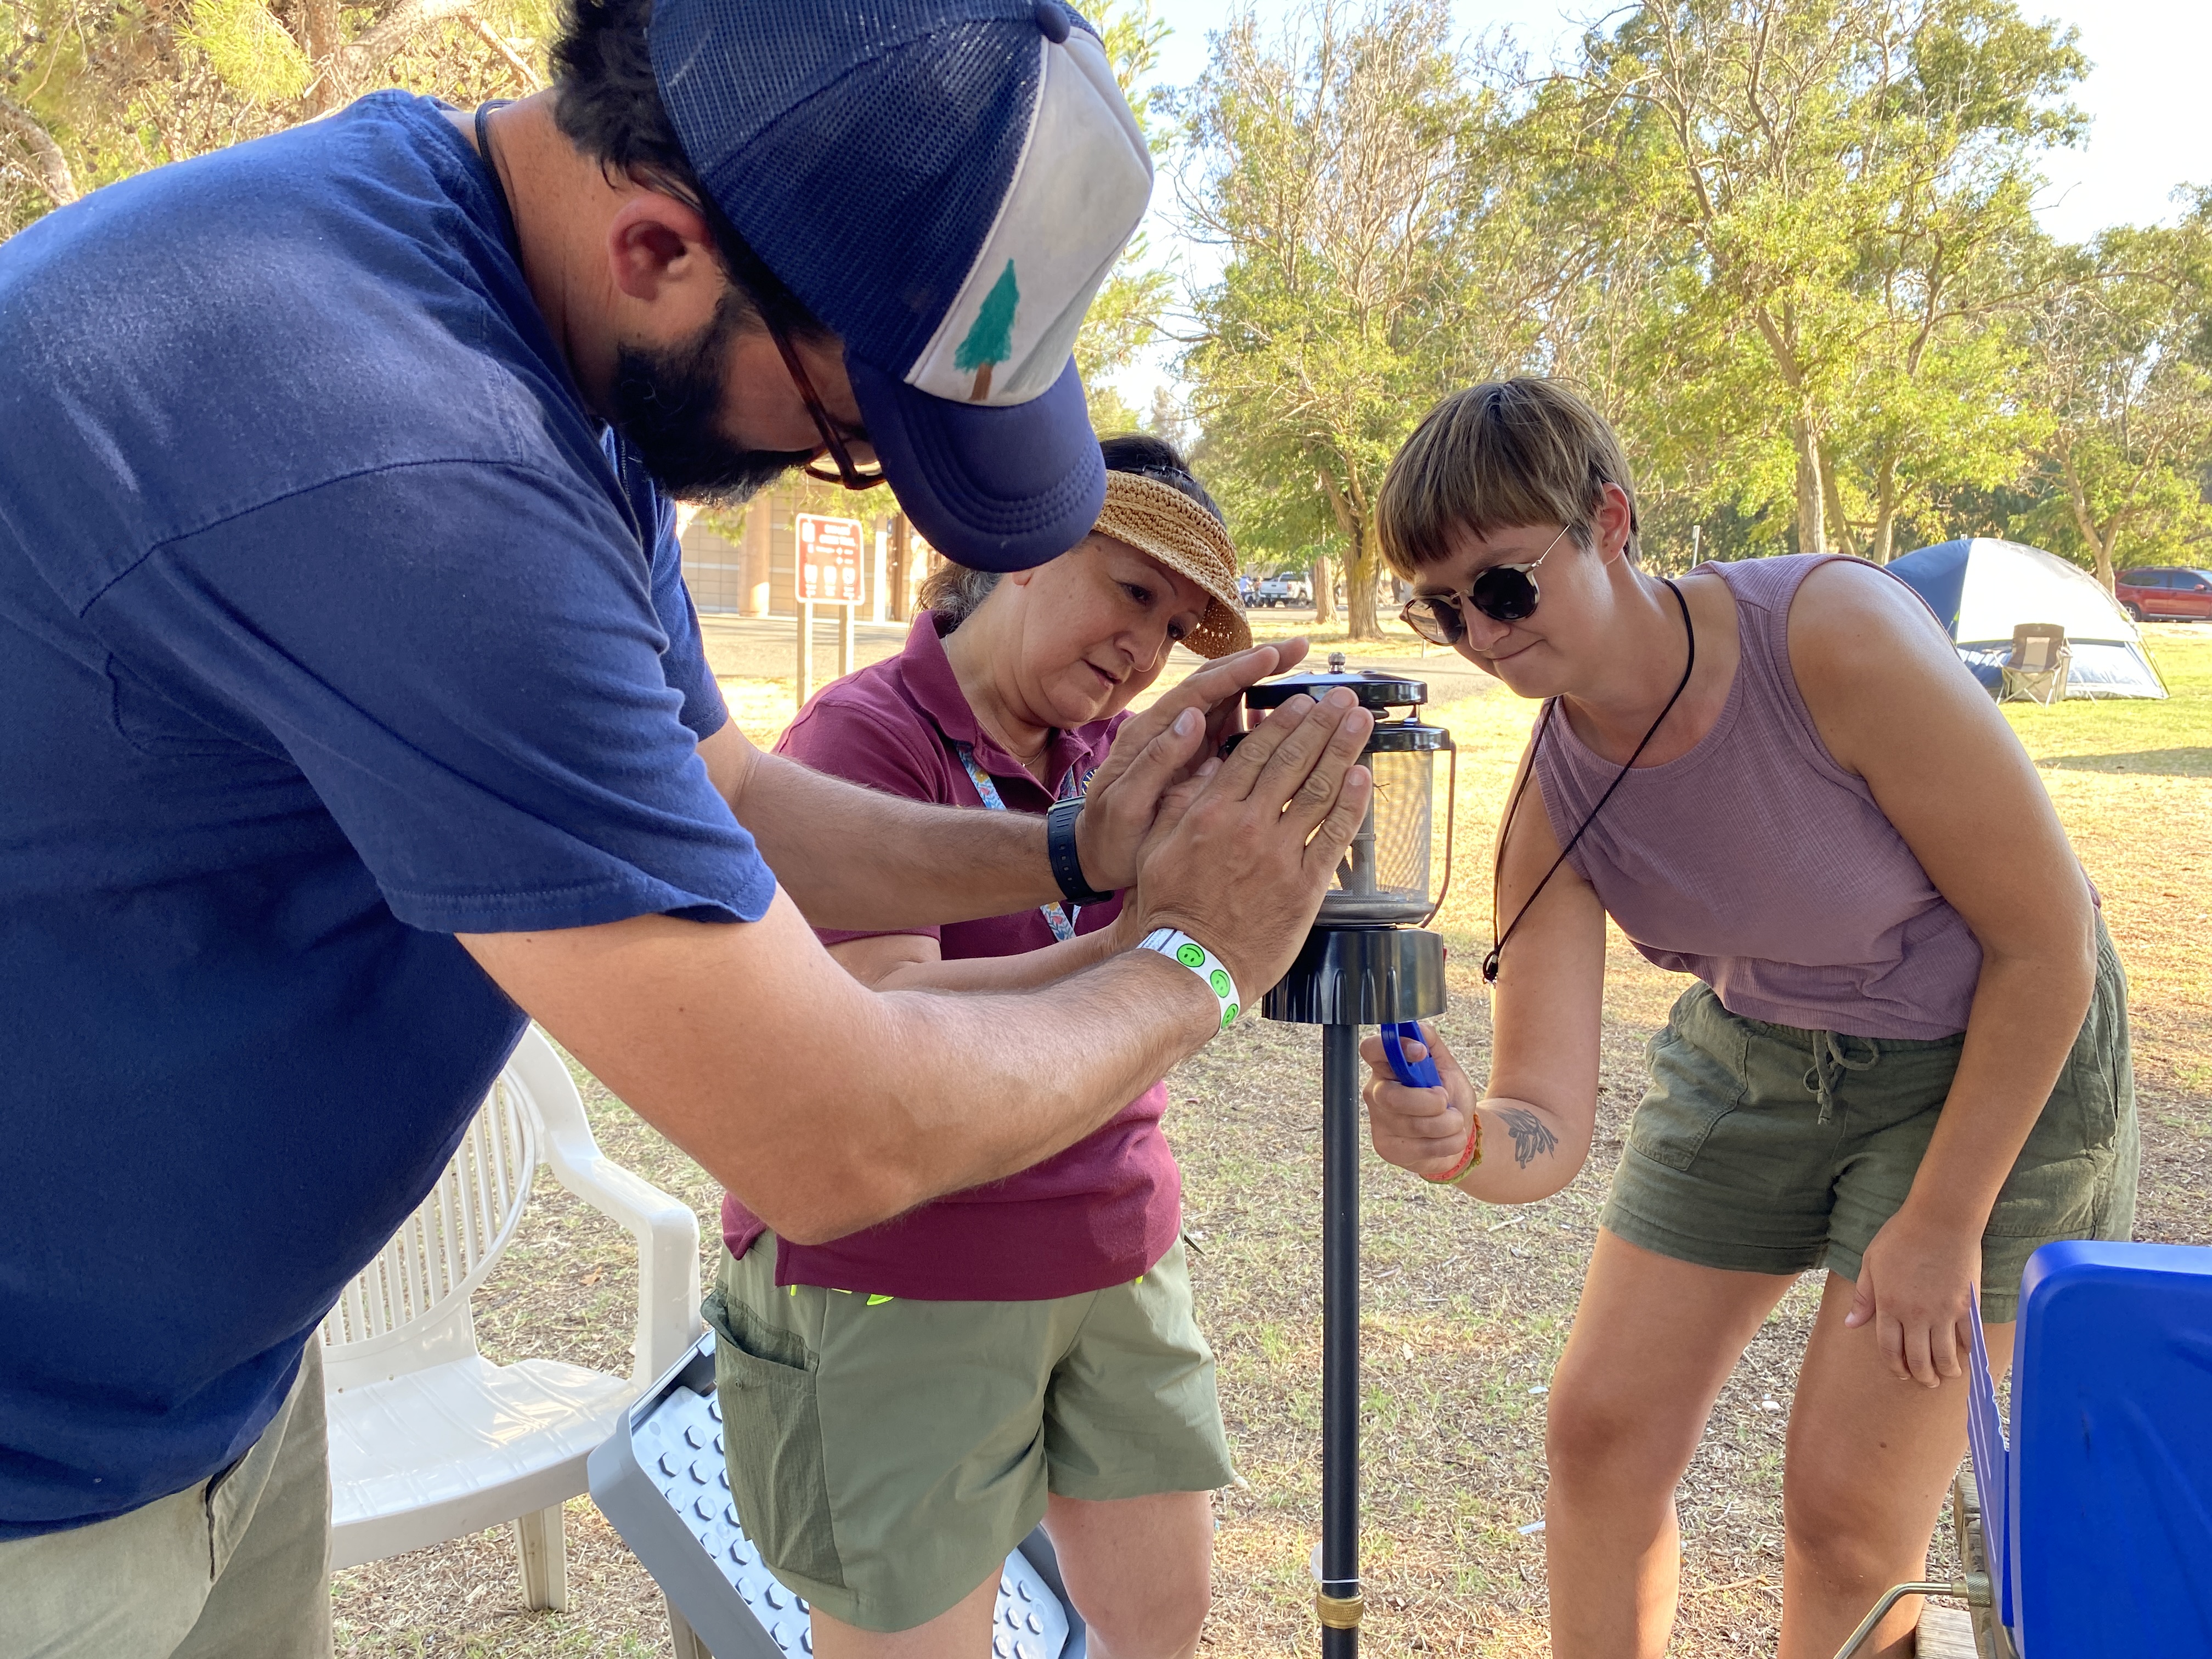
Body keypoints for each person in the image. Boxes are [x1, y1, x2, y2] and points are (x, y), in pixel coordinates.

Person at [0, 1, 1381, 1652]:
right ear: (661, 244)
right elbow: (833, 1136)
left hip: (198, 1389)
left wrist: (1070, 856)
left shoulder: (522, 319)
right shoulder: (405, 442)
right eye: (859, 429)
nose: (834, 462)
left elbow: (716, 798)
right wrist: (1198, 961)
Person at [1358, 379, 2135, 1659]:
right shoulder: (1555, 798)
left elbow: (2048, 942)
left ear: (1610, 521)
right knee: (1599, 1437)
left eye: (1503, 587)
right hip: (1762, 1047)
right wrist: (1454, 1138)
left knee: (1846, 1519)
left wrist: (1939, 1223)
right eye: (1439, 609)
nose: (1480, 639)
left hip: (1990, 1048)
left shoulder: (1829, 640)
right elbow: (1541, 1130)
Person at [714, 433, 1247, 1657]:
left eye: (1171, 627)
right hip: (909, 1265)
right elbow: (890, 1007)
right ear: (1020, 546)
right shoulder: (866, 736)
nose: (1143, 647)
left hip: (1113, 1238)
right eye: (1131, 590)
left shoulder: (1106, 759)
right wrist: (1166, 949)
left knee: (1160, 1619)